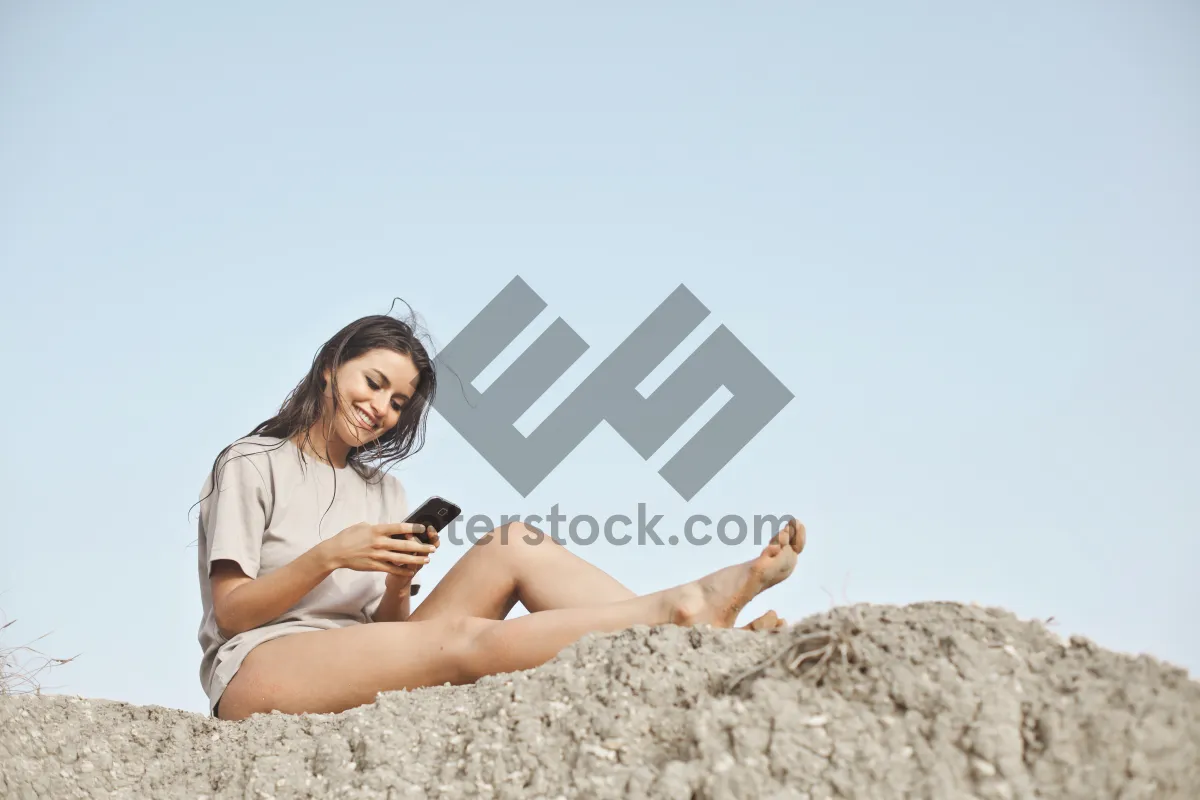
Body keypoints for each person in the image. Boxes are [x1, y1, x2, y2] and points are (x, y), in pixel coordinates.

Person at [195, 313, 807, 721]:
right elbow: (231, 611)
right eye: (373, 383)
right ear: (332, 367)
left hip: (354, 651)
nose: (380, 407)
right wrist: (332, 554)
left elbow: (389, 631)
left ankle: (673, 644)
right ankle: (675, 614)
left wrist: (398, 583)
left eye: (398, 401)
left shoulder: (383, 490)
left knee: (515, 543)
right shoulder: (252, 463)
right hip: (261, 663)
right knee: (460, 642)